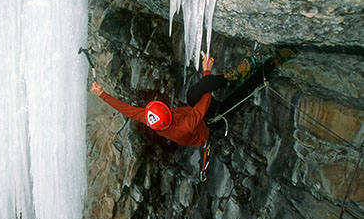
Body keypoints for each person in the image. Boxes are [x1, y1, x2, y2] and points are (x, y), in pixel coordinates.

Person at [90, 48, 294, 148]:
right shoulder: (186, 126)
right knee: (239, 97)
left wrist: (102, 94)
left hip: (192, 113)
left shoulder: (152, 119)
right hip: (207, 125)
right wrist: (206, 72)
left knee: (191, 94)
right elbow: (205, 103)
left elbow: (129, 110)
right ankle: (272, 63)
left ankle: (231, 76)